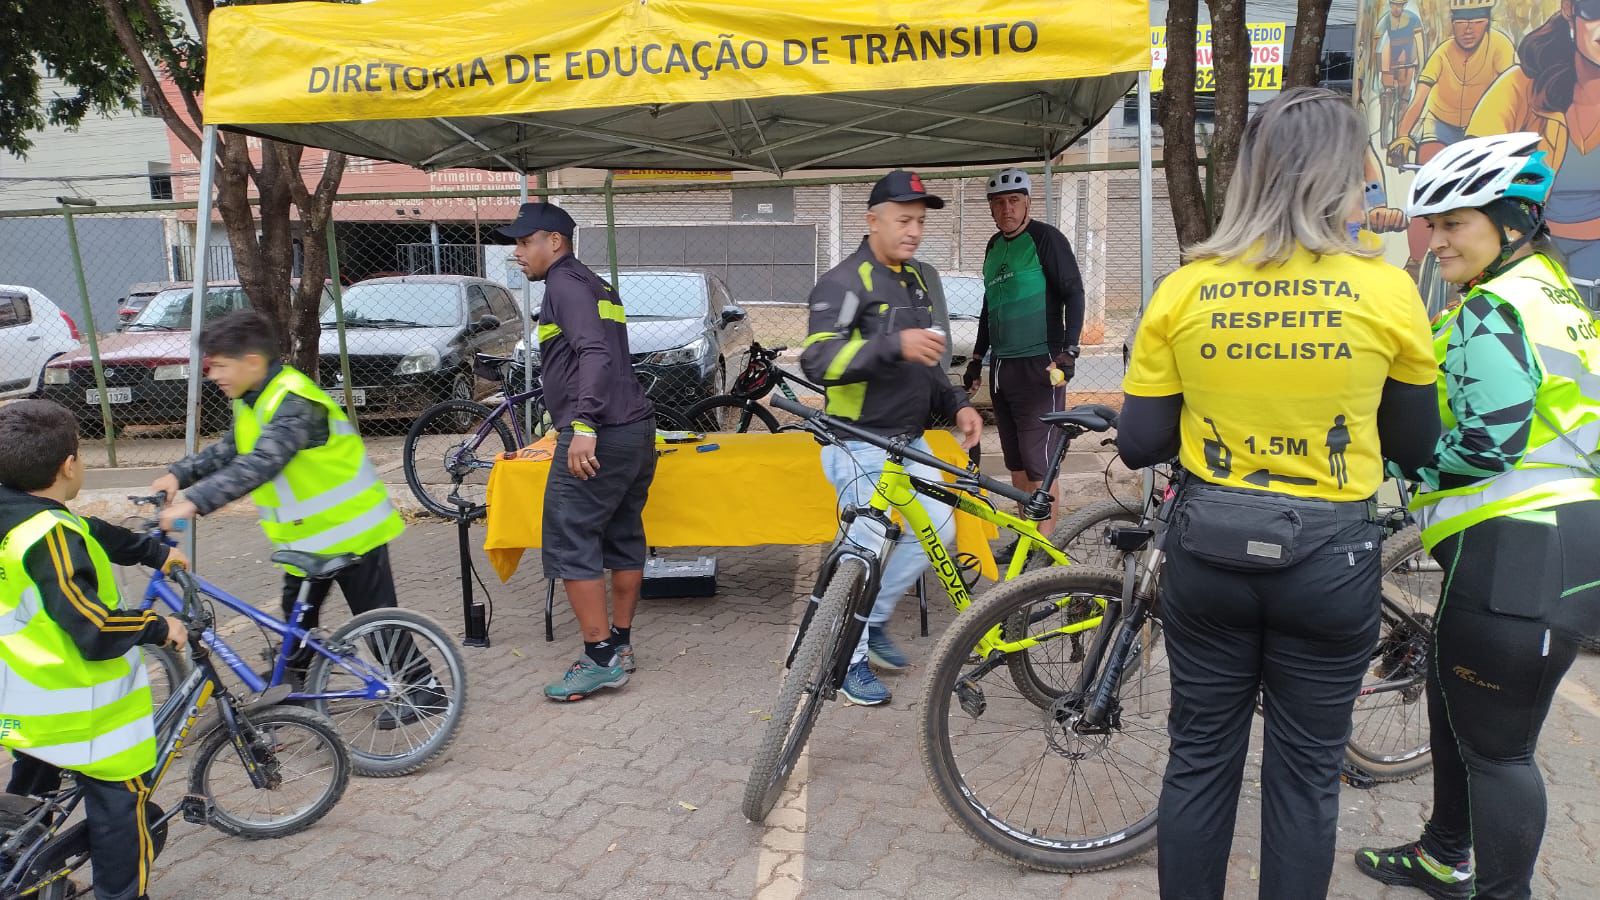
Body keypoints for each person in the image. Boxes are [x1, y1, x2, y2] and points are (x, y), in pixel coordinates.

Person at [1117, 87, 1441, 899]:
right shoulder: (1387, 291)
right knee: (1305, 777)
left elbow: (1140, 444)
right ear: (1342, 177)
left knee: (1199, 760)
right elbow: (1416, 448)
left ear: (1250, 174)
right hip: (1331, 565)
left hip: (1209, 558)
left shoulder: (1187, 288)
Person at [1355, 133, 1600, 900]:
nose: (1436, 241)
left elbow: (1487, 445)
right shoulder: (1553, 291)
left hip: (1517, 550)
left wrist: (1394, 464)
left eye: (1455, 223)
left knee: (1500, 751)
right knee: (1451, 696)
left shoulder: (1495, 307)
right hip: (1554, 541)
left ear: (1512, 221)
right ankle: (1442, 855)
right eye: (1432, 225)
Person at [149, 310, 433, 725]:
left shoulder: (295, 401)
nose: (213, 375)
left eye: (220, 365)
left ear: (252, 362)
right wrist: (180, 474)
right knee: (296, 615)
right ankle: (293, 684)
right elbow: (233, 448)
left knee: (376, 621)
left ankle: (423, 689)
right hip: (309, 540)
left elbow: (262, 462)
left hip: (353, 532)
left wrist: (193, 503)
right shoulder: (253, 400)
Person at [802, 169, 983, 706]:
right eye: (904, 220)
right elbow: (817, 360)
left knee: (940, 531)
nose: (914, 231)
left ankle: (872, 621)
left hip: (909, 439)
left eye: (920, 222)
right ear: (873, 220)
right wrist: (892, 345)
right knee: (865, 551)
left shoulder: (916, 280)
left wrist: (958, 403)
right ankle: (847, 660)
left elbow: (928, 360)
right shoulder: (843, 282)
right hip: (857, 441)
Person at [0, 399, 190, 900]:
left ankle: (20, 875)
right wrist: (159, 626)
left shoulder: (21, 515)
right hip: (84, 713)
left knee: (31, 800)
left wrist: (155, 552)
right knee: (120, 815)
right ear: (69, 465)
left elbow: (91, 532)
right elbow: (94, 627)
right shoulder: (49, 536)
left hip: (26, 702)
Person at [500, 202, 658, 702]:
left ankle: (599, 658)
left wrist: (584, 425)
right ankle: (621, 645)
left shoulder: (564, 284)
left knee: (569, 537)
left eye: (524, 242)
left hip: (600, 430)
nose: (517, 253)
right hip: (635, 429)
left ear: (555, 242)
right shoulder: (595, 283)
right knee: (624, 534)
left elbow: (594, 351)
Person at [963, 168, 1085, 557]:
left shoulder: (1046, 239)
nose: (1007, 209)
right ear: (991, 209)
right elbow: (989, 306)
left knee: (1039, 463)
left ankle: (1044, 550)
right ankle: (1027, 540)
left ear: (1028, 202)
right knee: (1015, 461)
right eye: (999, 203)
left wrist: (1070, 350)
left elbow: (1074, 293)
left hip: (1041, 365)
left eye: (1014, 200)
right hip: (1003, 368)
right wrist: (977, 358)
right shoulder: (993, 246)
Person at [1469, 0, 1600, 307]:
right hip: (1525, 250)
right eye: (1595, 10)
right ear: (1569, 10)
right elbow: (1470, 165)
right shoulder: (1521, 85)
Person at [1389, 0, 1518, 270]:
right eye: (1461, 22)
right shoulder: (1443, 52)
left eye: (1476, 21)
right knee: (1426, 191)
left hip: (1481, 128)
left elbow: (1513, 94)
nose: (1468, 29)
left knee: (1489, 192)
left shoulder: (1501, 46)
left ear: (1488, 22)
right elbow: (1419, 99)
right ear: (1452, 23)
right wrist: (1402, 136)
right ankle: (1415, 263)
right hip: (1441, 123)